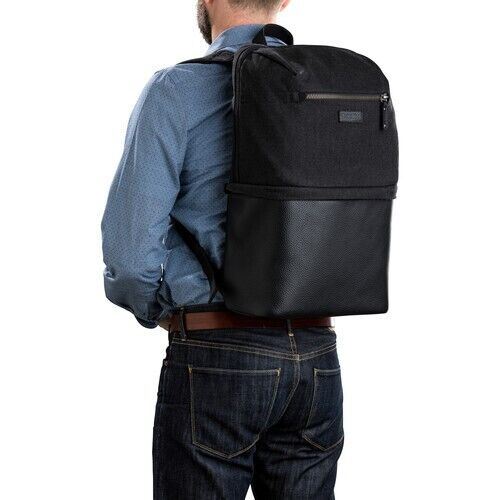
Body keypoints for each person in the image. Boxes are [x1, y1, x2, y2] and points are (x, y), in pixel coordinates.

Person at [102, 1, 344, 498]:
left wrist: (164, 313)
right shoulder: (328, 86)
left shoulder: (176, 90)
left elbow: (129, 256)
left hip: (217, 350)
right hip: (317, 356)